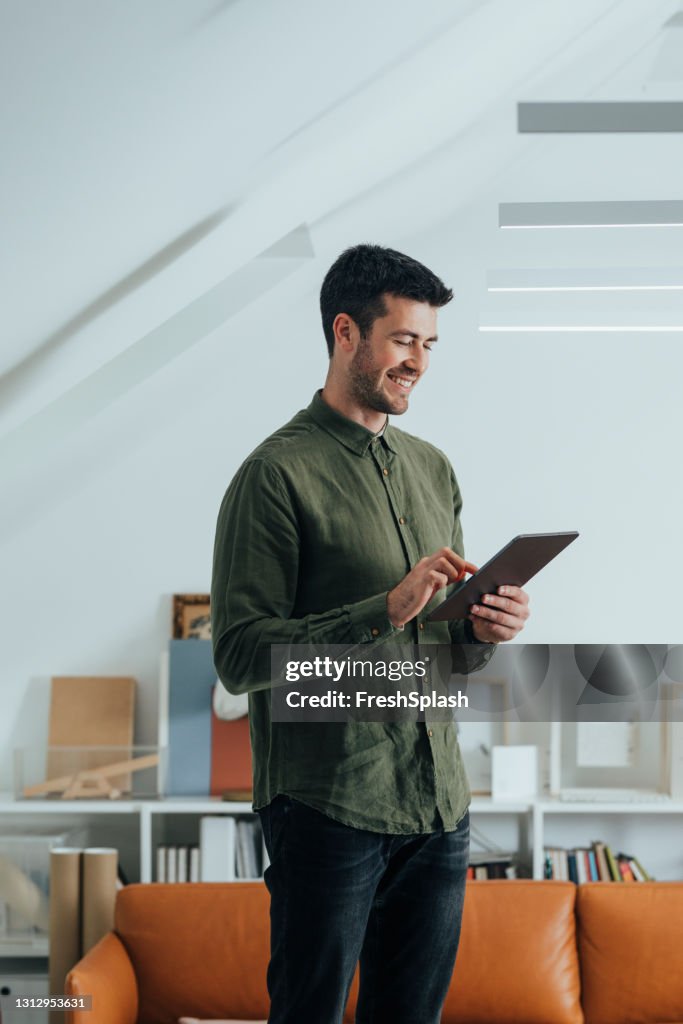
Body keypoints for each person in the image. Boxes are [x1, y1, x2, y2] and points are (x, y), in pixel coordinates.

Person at [211, 244, 530, 1024]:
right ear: (345, 332)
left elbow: (441, 655)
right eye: (402, 340)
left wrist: (487, 626)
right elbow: (240, 655)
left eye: (428, 344)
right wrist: (379, 612)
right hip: (329, 803)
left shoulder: (432, 468)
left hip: (437, 803)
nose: (418, 361)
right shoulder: (274, 474)